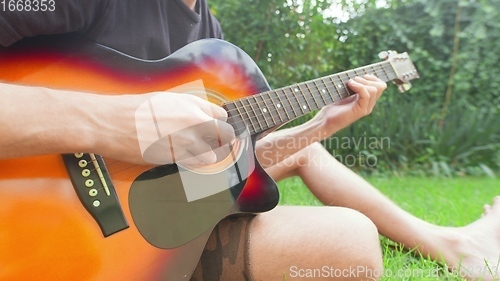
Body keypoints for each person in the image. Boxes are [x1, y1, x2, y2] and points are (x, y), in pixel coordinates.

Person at [0, 0, 498, 280]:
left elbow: (210, 175)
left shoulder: (208, 32)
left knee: (347, 244)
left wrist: (319, 126)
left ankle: (454, 247)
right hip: (29, 214)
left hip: (136, 219)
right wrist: (114, 122)